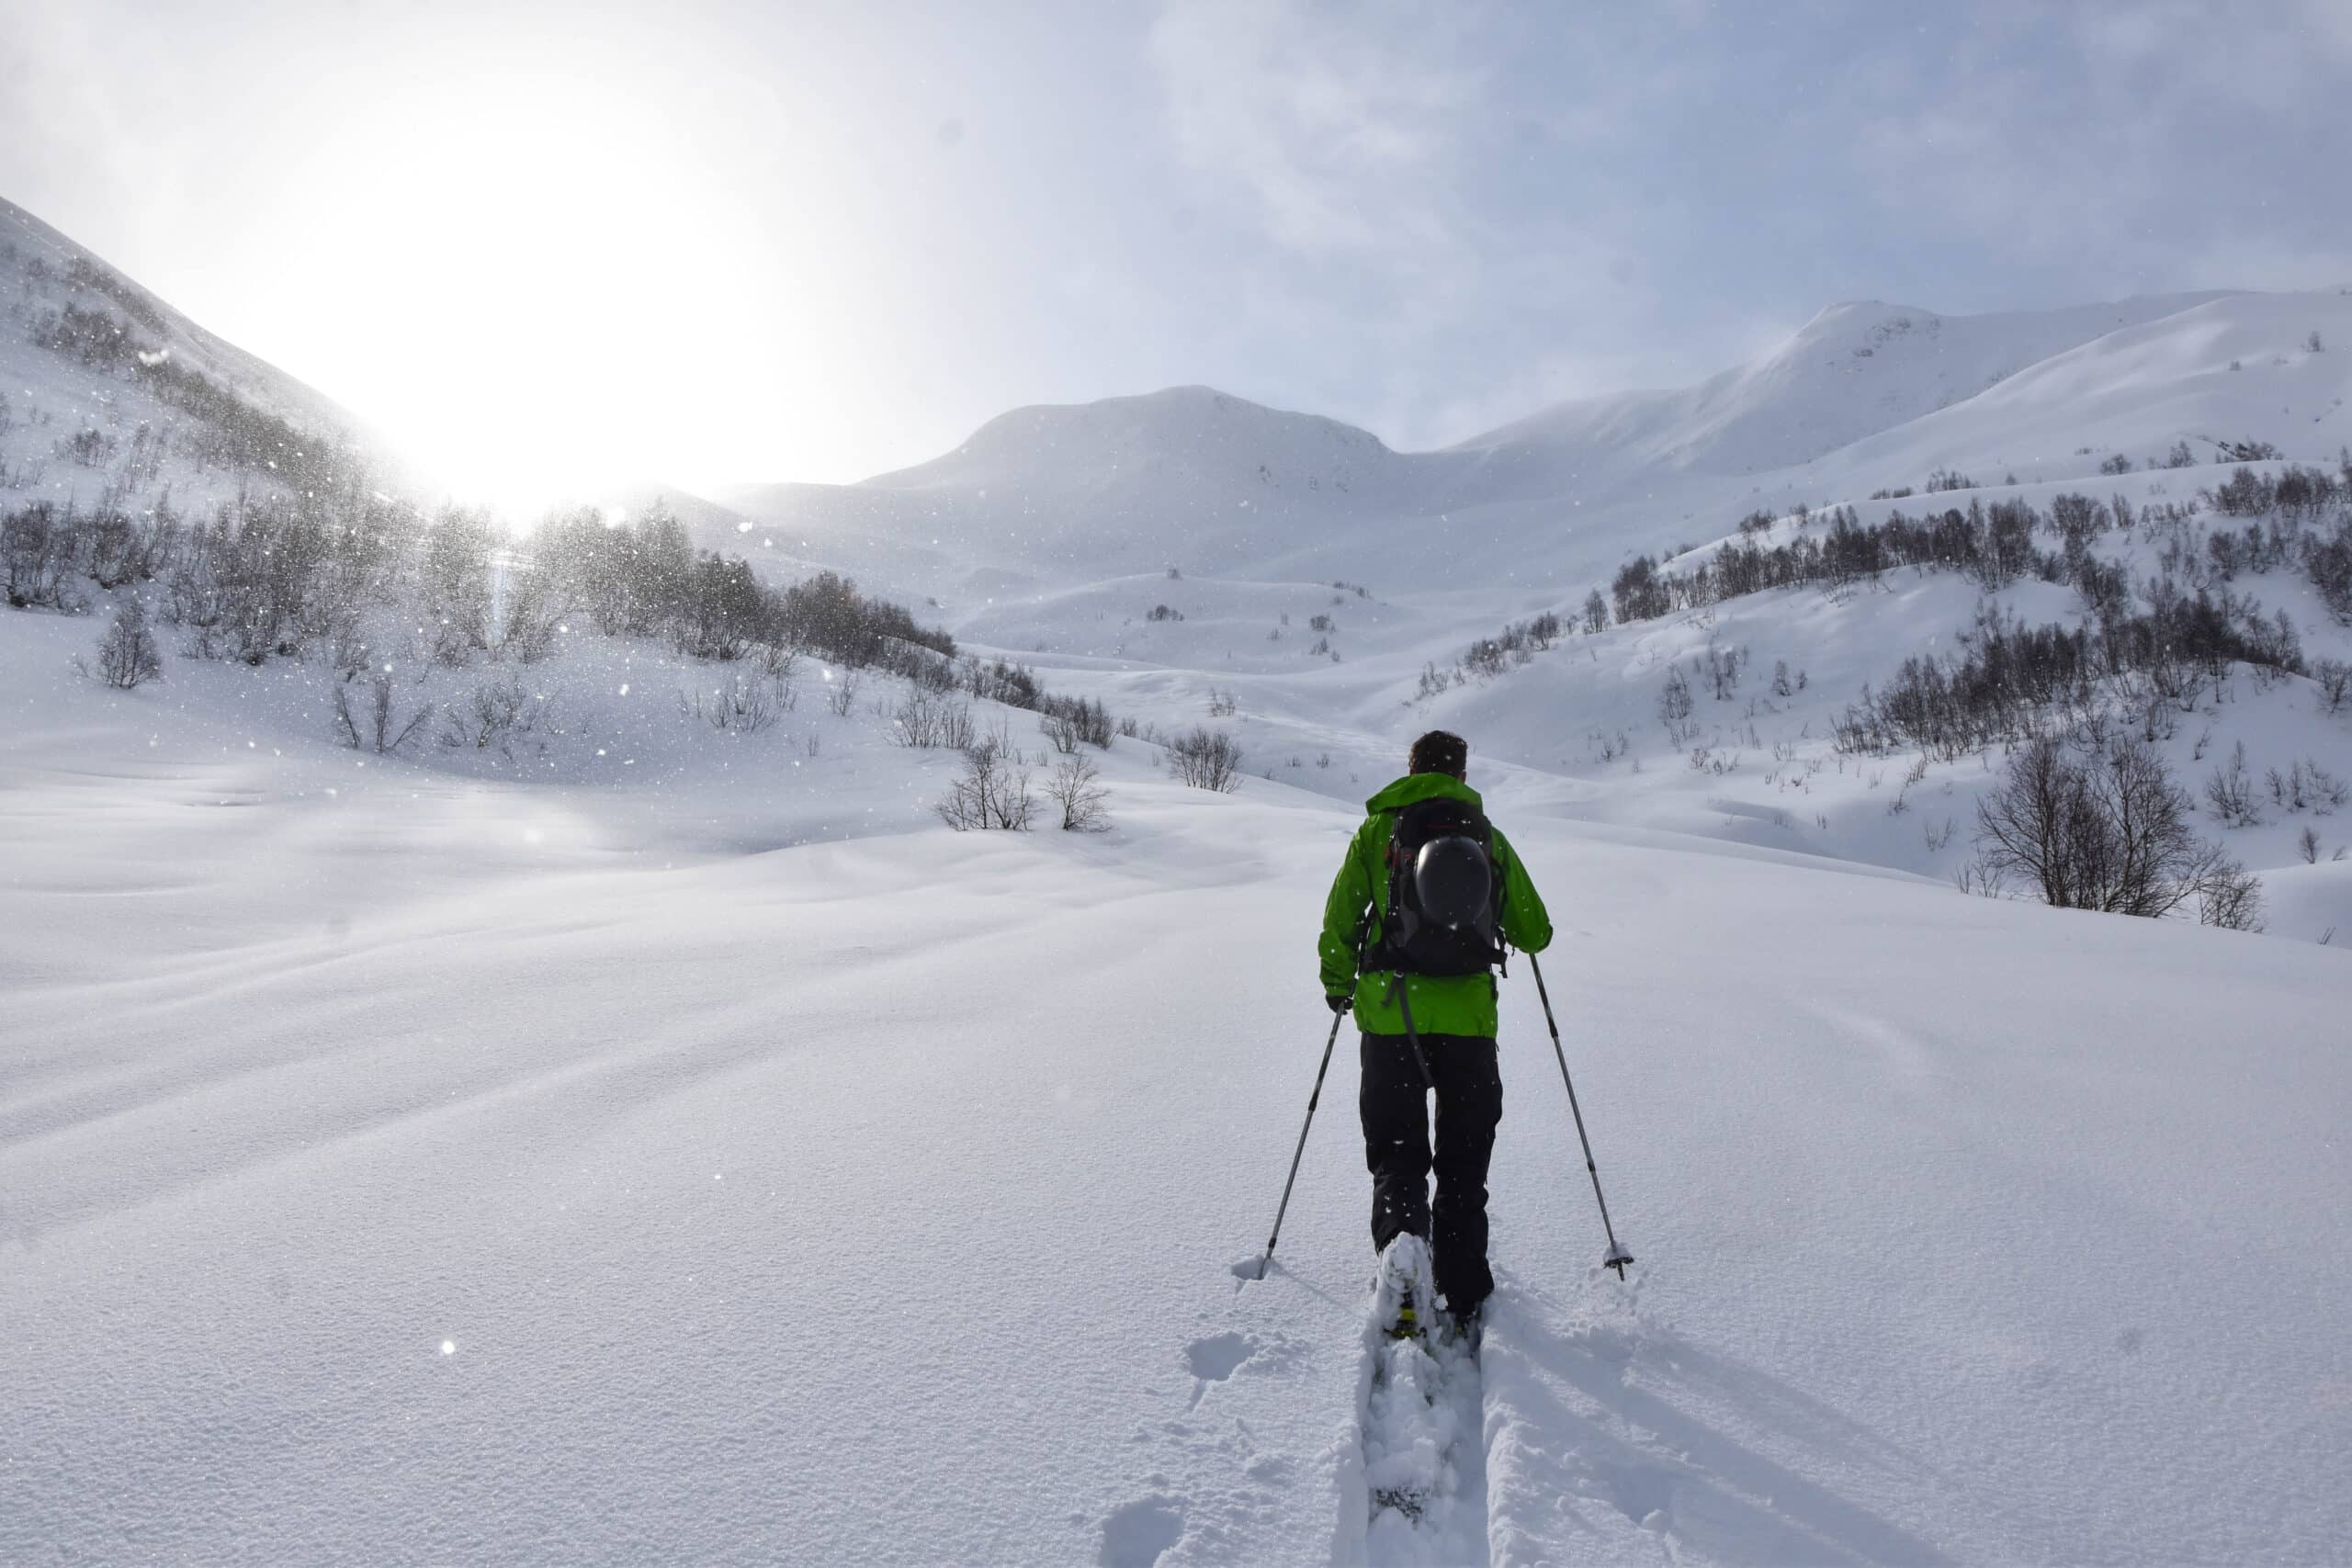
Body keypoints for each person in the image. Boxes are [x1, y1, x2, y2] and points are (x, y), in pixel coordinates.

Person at [1317, 729, 1551, 1338]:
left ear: (1412, 769)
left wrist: (1338, 983)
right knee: (1464, 1161)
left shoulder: (1377, 832)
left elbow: (1341, 918)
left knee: (1398, 1152)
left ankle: (1401, 1248)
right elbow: (1536, 930)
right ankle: (1465, 1289)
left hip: (1392, 1017)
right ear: (1462, 776)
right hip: (1469, 1025)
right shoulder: (1486, 837)